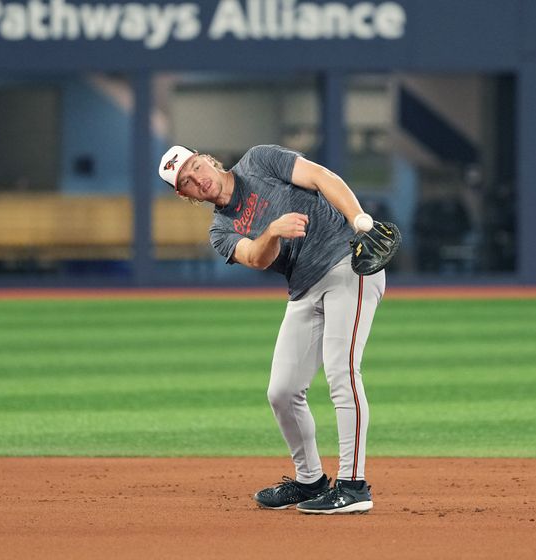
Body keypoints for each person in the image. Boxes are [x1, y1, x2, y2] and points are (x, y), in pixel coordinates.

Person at [158, 144, 385, 514]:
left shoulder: (259, 161)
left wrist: (359, 220)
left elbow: (320, 177)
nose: (199, 179)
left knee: (342, 372)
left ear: (209, 160)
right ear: (186, 195)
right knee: (282, 391)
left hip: (348, 263)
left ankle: (354, 485)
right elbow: (256, 257)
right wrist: (273, 233)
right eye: (187, 181)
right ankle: (310, 480)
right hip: (304, 286)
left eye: (197, 166)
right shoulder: (221, 230)